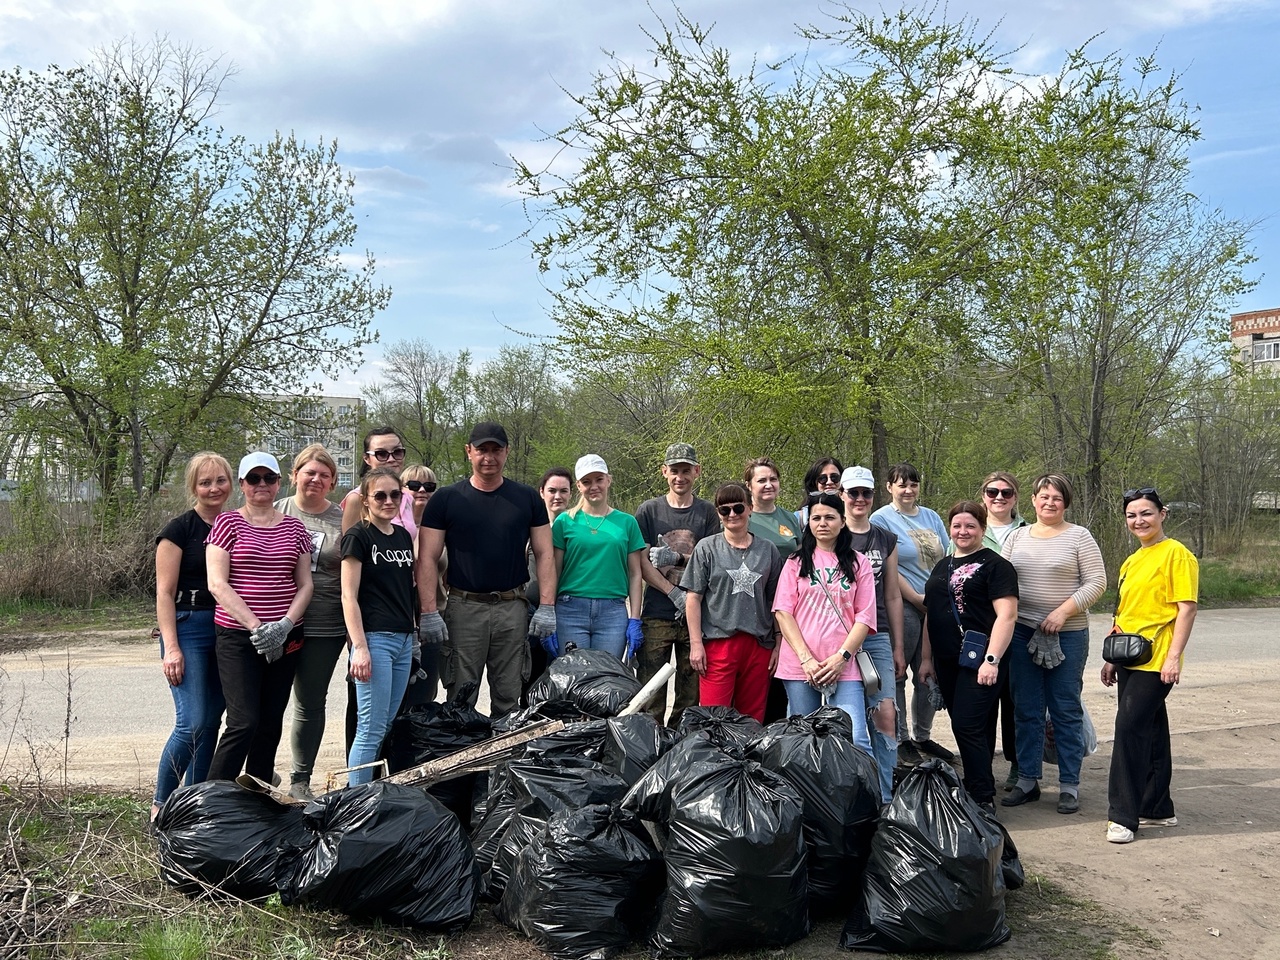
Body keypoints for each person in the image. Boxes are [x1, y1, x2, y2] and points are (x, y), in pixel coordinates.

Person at [417, 422, 555, 718]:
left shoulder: (527, 498)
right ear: (469, 452)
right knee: (460, 697)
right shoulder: (446, 499)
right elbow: (427, 557)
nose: (489, 457)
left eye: (496, 450)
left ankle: (502, 763)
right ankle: (466, 764)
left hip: (512, 608)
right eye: (482, 450)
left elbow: (544, 553)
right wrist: (429, 612)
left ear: (506, 452)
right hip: (464, 608)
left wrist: (547, 606)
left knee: (509, 696)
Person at [1001, 474, 1107, 814]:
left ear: (1066, 503)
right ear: (1032, 500)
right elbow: (1002, 581)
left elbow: (1097, 582)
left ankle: (1069, 784)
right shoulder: (1016, 538)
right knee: (1026, 709)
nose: (1049, 502)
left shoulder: (1080, 537)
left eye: (1057, 498)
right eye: (1043, 496)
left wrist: (1062, 613)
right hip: (1021, 633)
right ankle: (1028, 780)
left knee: (1065, 708)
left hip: (1069, 634)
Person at [205, 453, 314, 783]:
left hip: (287, 638)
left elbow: (305, 584)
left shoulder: (295, 527)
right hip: (238, 637)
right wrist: (257, 627)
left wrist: (283, 627)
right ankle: (210, 801)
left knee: (270, 721)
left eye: (269, 478)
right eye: (254, 479)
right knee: (243, 722)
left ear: (279, 483)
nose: (262, 484)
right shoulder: (227, 524)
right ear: (242, 484)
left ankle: (258, 797)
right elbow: (217, 583)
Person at [1102, 487, 1198, 844]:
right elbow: (1125, 612)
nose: (1139, 521)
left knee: (1129, 729)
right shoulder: (1132, 560)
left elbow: (1186, 608)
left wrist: (1173, 657)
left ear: (1163, 514)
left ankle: (1123, 816)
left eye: (1146, 513)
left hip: (1157, 660)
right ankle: (1157, 808)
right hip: (1130, 655)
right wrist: (1112, 657)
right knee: (1152, 729)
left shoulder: (1177, 555)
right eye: (1132, 515)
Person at [919, 500, 1018, 810]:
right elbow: (930, 614)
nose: (963, 531)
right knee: (978, 724)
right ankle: (980, 783)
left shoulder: (996, 566)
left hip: (982, 660)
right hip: (947, 661)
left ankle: (981, 797)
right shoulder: (942, 565)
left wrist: (992, 660)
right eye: (957, 526)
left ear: (982, 529)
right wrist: (925, 659)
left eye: (970, 526)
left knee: (966, 723)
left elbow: (1007, 616)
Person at [151, 452, 232, 823]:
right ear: (193, 488)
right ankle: (162, 804)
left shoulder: (235, 524)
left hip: (227, 628)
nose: (214, 488)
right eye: (205, 482)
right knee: (193, 722)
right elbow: (164, 593)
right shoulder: (179, 529)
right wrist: (172, 647)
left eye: (220, 480)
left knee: (213, 720)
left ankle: (194, 806)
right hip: (189, 626)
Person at [773, 491, 876, 751]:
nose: (822, 523)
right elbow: (783, 612)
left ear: (842, 521)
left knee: (855, 738)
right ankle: (803, 792)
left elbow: (864, 616)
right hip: (801, 665)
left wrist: (841, 657)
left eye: (830, 517)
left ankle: (862, 792)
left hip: (844, 663)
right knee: (801, 739)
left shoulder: (858, 563)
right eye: (816, 518)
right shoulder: (796, 562)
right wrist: (806, 659)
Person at [275, 444, 345, 801]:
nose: (315, 479)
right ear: (294, 475)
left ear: (332, 482)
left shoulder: (343, 519)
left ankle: (300, 779)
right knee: (262, 700)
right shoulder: (274, 511)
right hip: (275, 623)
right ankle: (258, 769)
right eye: (309, 472)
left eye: (324, 474)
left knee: (309, 701)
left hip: (326, 623)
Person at [635, 443, 722, 728]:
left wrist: (680, 562)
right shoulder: (649, 511)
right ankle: (649, 745)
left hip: (695, 616)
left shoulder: (707, 513)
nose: (680, 477)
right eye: (674, 470)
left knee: (690, 690)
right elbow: (640, 561)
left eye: (686, 470)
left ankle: (680, 746)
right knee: (650, 690)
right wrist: (671, 591)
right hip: (656, 611)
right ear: (664, 472)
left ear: (697, 472)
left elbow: (711, 560)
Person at [681, 482, 784, 723]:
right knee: (714, 718)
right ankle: (715, 761)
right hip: (718, 644)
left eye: (738, 508)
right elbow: (693, 598)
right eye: (724, 510)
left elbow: (776, 601)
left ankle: (747, 761)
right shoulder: (707, 548)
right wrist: (696, 644)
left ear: (750, 508)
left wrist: (778, 644)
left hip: (759, 644)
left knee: (751, 720)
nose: (732, 515)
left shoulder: (768, 550)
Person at [871, 462, 953, 763]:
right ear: (889, 487)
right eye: (901, 484)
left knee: (929, 672)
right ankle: (901, 737)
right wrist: (917, 598)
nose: (908, 490)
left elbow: (946, 555)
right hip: (904, 604)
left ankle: (923, 735)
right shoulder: (881, 518)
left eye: (913, 484)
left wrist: (937, 597)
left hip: (934, 606)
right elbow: (889, 567)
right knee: (898, 672)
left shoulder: (930, 516)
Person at [340, 467, 417, 785]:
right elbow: (348, 595)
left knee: (385, 724)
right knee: (369, 728)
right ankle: (354, 803)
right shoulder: (359, 536)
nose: (388, 501)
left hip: (403, 640)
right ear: (366, 500)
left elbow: (406, 590)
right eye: (380, 495)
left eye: (395, 494)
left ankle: (370, 793)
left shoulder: (401, 536)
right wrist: (359, 647)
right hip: (374, 640)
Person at [840, 465, 906, 803]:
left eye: (866, 493)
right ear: (842, 496)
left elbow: (892, 594)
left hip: (877, 636)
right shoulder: (831, 535)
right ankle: (854, 797)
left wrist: (898, 646)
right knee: (849, 723)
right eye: (853, 493)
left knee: (885, 715)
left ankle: (884, 795)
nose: (860, 499)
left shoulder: (884, 538)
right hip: (837, 637)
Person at [552, 455, 646, 659]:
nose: (593, 486)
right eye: (586, 482)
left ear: (608, 480)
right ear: (578, 485)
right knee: (574, 680)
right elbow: (555, 571)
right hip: (570, 610)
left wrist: (635, 618)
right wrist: (548, 611)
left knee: (606, 682)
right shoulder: (564, 522)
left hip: (612, 612)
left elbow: (635, 574)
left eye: (599, 480)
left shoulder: (627, 523)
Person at [980, 471, 1029, 789]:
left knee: (1016, 701)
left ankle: (1017, 764)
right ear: (983, 494)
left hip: (1021, 624)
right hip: (979, 627)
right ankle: (981, 765)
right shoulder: (970, 526)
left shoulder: (1029, 531)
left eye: (1006, 492)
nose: (999, 497)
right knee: (981, 700)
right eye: (992, 491)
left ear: (1016, 496)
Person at [745, 456, 801, 722]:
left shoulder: (791, 519)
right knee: (754, 681)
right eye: (761, 480)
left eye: (773, 479)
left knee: (780, 679)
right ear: (748, 486)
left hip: (789, 610)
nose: (768, 485)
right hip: (752, 608)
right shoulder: (741, 517)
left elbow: (805, 562)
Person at [396, 463, 447, 709]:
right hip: (397, 620)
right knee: (396, 695)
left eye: (429, 486)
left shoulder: (442, 529)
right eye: (414, 485)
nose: (422, 491)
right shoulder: (391, 527)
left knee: (424, 694)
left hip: (433, 618)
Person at [523, 467, 572, 700]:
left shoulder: (577, 528)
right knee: (528, 673)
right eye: (552, 490)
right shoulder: (528, 526)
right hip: (530, 610)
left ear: (572, 494)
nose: (557, 496)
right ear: (541, 492)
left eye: (564, 491)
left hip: (566, 610)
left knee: (557, 676)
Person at [795, 456, 844, 526]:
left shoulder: (852, 514)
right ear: (814, 483)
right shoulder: (800, 518)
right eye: (823, 479)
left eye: (834, 477)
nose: (829, 482)